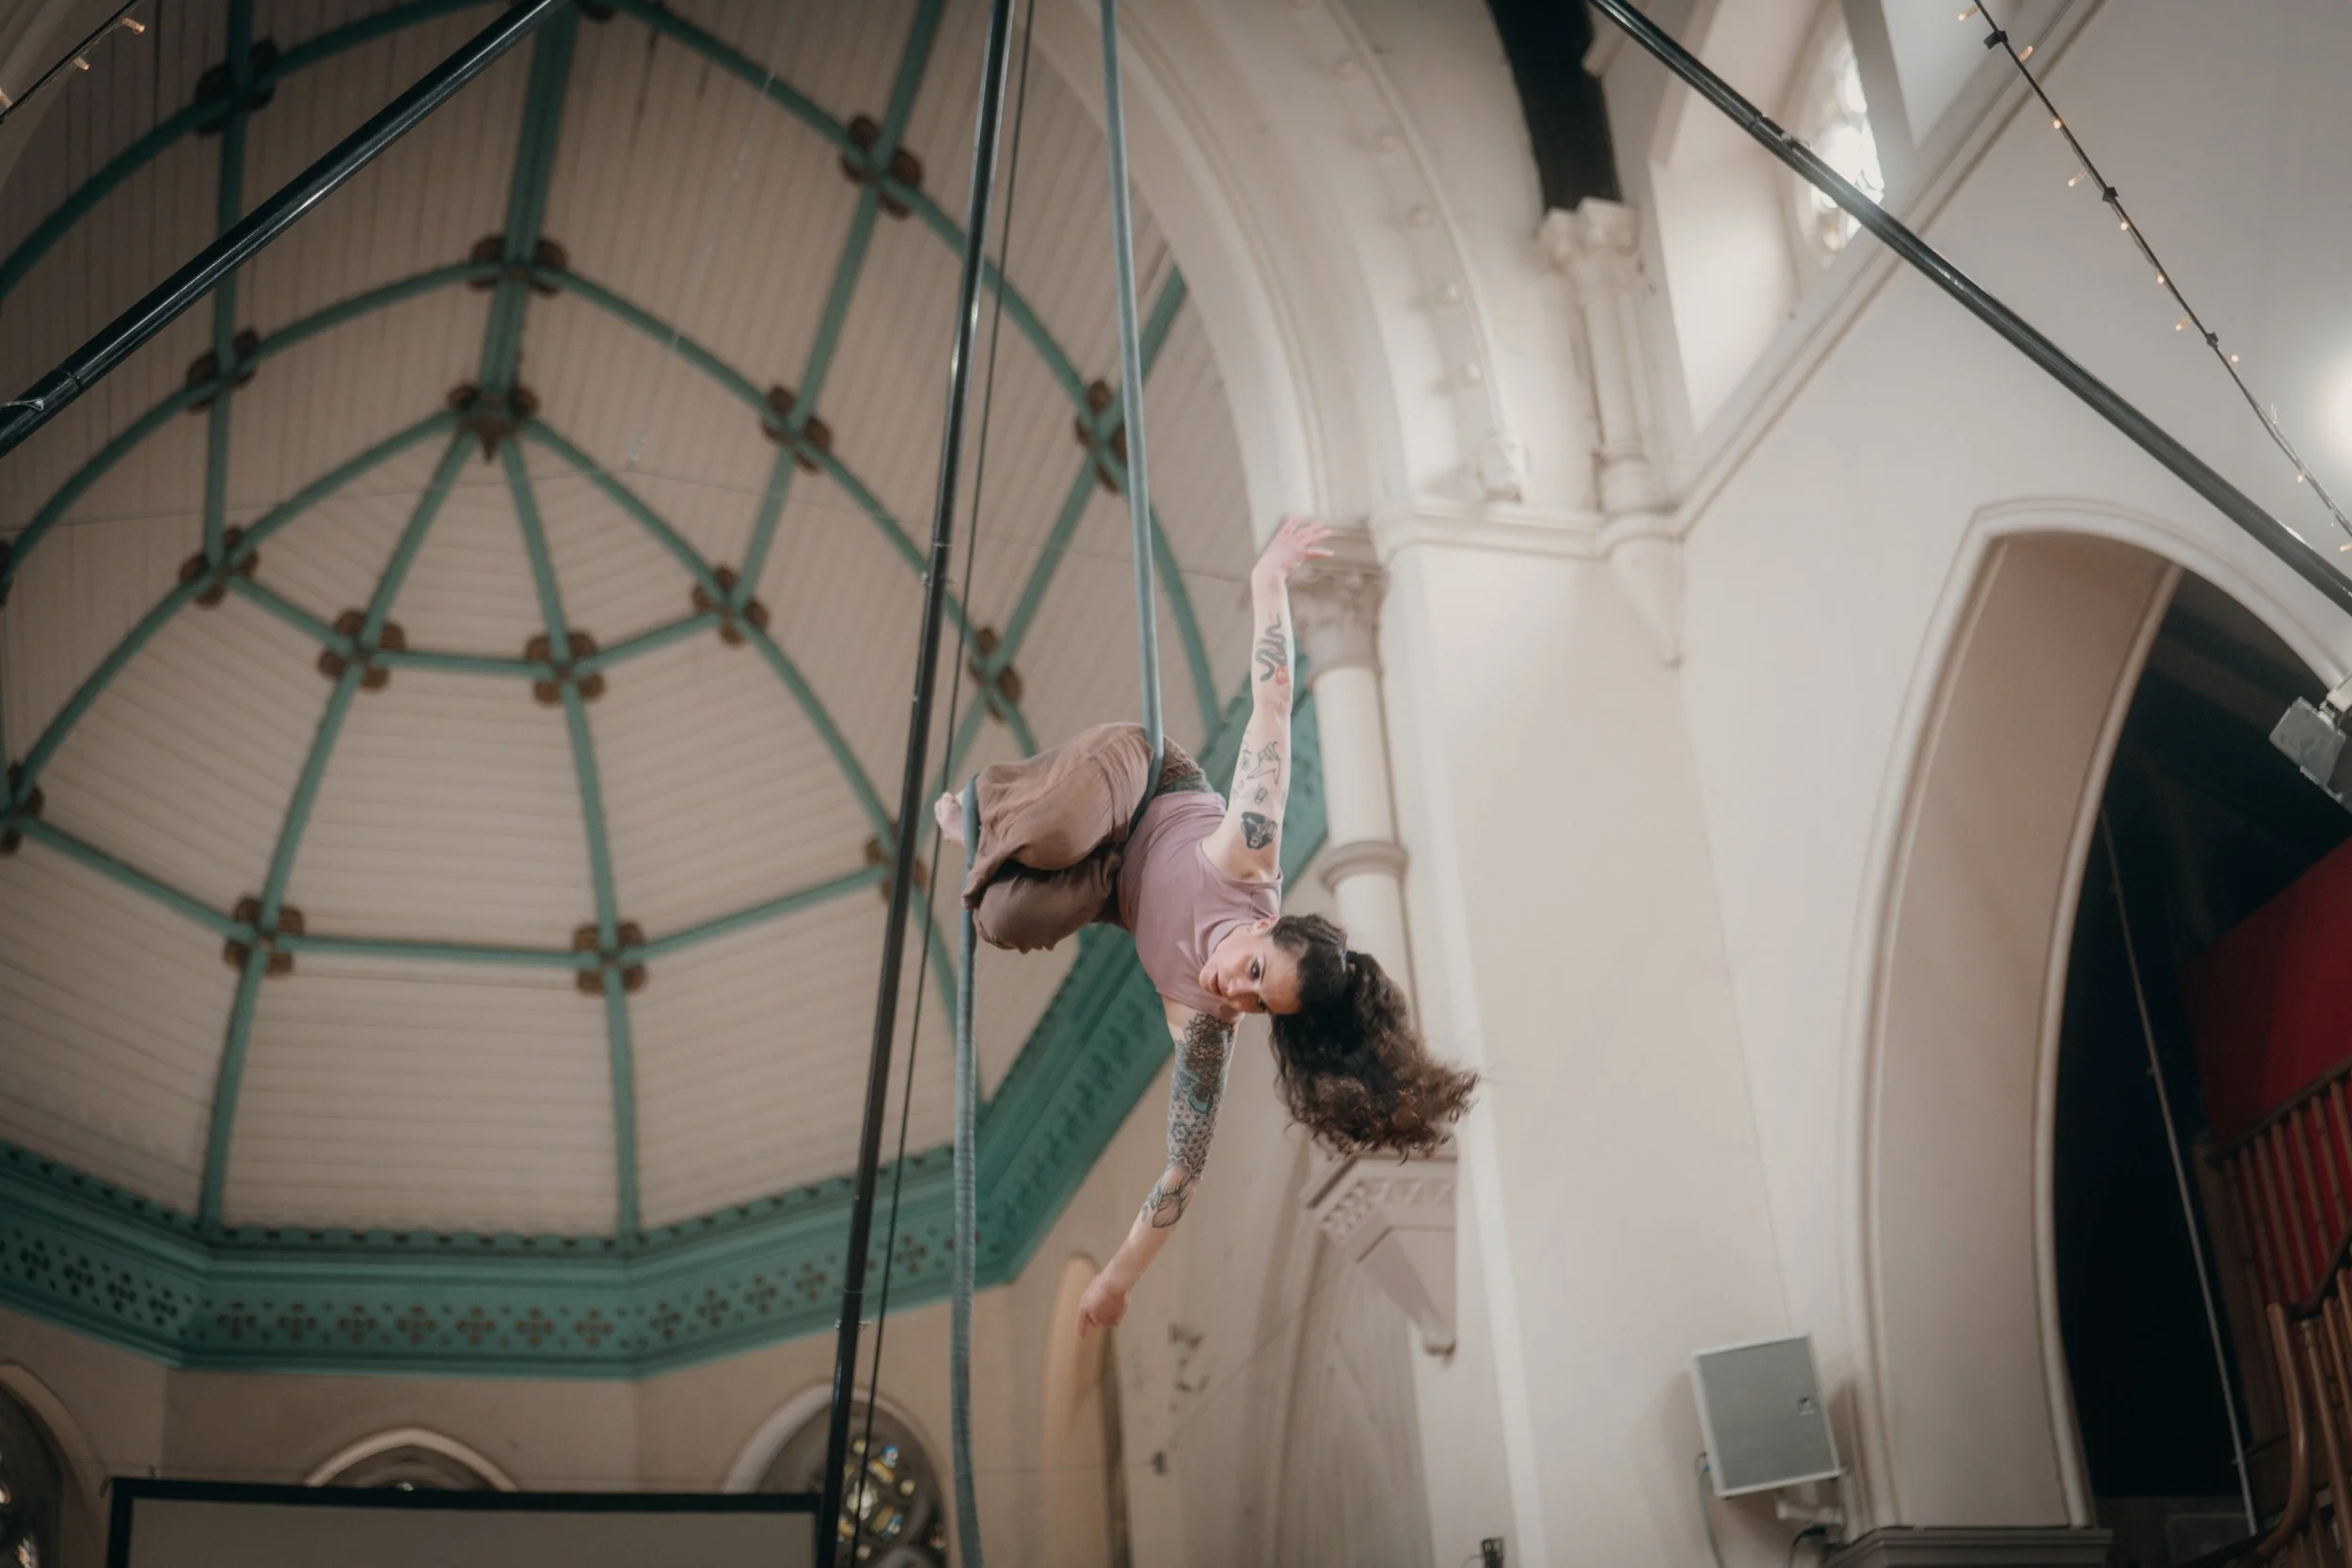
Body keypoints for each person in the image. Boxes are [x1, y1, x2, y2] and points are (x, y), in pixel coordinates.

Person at [938, 516, 1478, 1334]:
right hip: (1140, 781)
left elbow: (1181, 1173)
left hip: (1108, 882)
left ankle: (985, 842)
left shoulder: (1203, 1028)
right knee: (1051, 832)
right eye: (1256, 974)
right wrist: (1269, 581)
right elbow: (1270, 709)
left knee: (1009, 919)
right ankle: (983, 817)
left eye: (1258, 1007)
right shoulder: (1248, 857)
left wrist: (1117, 1281)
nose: (1236, 991)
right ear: (1269, 928)